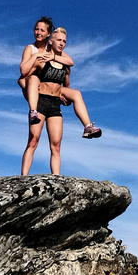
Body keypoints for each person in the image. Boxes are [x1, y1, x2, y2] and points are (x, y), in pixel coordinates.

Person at [20, 26, 102, 175]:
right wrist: (30, 88)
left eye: (64, 41)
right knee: (33, 141)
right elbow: (23, 77)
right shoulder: (41, 59)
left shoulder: (65, 64)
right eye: (59, 40)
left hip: (54, 105)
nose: (62, 43)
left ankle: (87, 127)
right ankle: (23, 178)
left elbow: (67, 85)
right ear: (51, 41)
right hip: (41, 102)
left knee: (56, 146)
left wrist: (66, 99)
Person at [18, 16, 73, 125]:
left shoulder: (51, 47)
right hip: (32, 85)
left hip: (47, 87)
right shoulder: (30, 48)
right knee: (33, 79)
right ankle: (33, 111)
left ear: (48, 34)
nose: (38, 32)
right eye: (36, 29)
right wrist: (36, 56)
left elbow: (70, 62)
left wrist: (53, 57)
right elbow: (23, 72)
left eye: (42, 30)